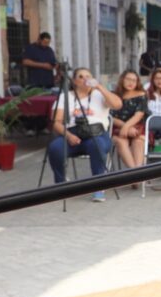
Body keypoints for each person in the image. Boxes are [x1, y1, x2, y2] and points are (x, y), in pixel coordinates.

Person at [47, 67, 121, 201]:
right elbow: (56, 122)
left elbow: (117, 104)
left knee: (96, 145)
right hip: (73, 133)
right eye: (80, 76)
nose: (85, 79)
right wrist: (69, 136)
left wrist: (99, 86)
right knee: (55, 148)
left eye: (88, 76)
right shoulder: (66, 96)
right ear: (74, 81)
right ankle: (61, 183)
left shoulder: (99, 94)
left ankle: (98, 186)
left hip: (97, 133)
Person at [110, 70, 148, 175]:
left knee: (139, 141)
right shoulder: (114, 95)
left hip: (138, 127)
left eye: (134, 80)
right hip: (118, 128)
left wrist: (127, 127)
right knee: (121, 141)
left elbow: (139, 115)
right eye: (128, 79)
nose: (131, 82)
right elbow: (111, 117)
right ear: (122, 80)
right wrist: (125, 127)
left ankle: (135, 176)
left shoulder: (142, 95)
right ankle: (135, 176)